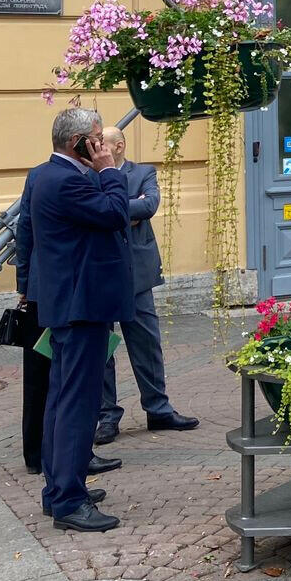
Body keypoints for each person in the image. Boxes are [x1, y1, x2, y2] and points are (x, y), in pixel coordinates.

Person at [27, 107, 135, 532]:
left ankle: (59, 490)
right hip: (81, 305)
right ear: (79, 145)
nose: (104, 146)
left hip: (70, 303)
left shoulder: (45, 175)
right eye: (97, 139)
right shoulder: (67, 180)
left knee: (61, 399)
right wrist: (109, 169)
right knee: (77, 403)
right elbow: (114, 212)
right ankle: (69, 500)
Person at [94, 126, 199, 445]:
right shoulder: (90, 175)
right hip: (99, 272)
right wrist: (127, 209)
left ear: (119, 146)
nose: (98, 150)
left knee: (146, 344)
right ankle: (106, 415)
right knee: (101, 348)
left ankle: (158, 409)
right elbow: (96, 210)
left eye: (104, 145)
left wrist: (114, 210)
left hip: (137, 273)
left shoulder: (143, 173)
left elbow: (149, 205)